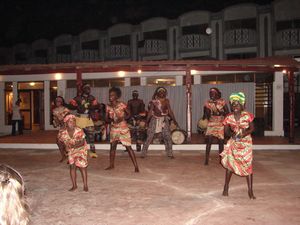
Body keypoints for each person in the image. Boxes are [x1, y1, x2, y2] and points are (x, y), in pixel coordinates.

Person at [220, 92, 256, 199]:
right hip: (234, 143)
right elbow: (226, 131)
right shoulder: (228, 117)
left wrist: (243, 134)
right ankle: (226, 187)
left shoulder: (247, 116)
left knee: (248, 166)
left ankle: (250, 191)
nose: (235, 106)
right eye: (233, 104)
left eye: (238, 104)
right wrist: (233, 135)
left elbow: (252, 128)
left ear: (243, 105)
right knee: (230, 165)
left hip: (246, 144)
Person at [105, 87, 139, 172]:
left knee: (128, 147)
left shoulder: (122, 104)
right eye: (110, 95)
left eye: (112, 95)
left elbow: (129, 114)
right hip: (114, 128)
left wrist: (122, 118)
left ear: (117, 96)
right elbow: (106, 119)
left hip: (123, 128)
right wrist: (112, 120)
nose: (110, 96)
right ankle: (111, 165)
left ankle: (136, 166)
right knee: (112, 147)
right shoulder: (108, 106)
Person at [141, 87, 178, 158]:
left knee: (168, 137)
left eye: (163, 92)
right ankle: (143, 153)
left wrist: (174, 120)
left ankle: (170, 153)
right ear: (157, 93)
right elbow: (150, 112)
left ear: (165, 93)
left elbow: (170, 111)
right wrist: (147, 121)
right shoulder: (153, 102)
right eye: (160, 92)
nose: (162, 93)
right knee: (149, 136)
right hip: (154, 119)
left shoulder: (167, 101)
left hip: (164, 120)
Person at [58, 114, 89, 192]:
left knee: (82, 167)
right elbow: (60, 141)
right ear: (66, 123)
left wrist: (71, 147)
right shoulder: (63, 132)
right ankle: (74, 185)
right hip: (71, 150)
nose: (72, 123)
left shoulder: (79, 130)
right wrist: (65, 148)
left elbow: (82, 143)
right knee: (72, 167)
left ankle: (85, 185)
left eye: (74, 121)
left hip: (81, 149)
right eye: (70, 122)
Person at [69, 83, 99, 158]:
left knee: (91, 137)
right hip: (79, 120)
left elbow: (96, 106)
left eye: (89, 87)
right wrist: (79, 105)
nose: (89, 89)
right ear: (83, 89)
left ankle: (93, 153)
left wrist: (92, 106)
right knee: (77, 138)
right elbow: (71, 106)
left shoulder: (92, 98)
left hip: (88, 119)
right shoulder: (77, 98)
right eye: (86, 87)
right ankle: (75, 153)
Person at [203, 88, 229, 165]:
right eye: (210, 94)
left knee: (221, 142)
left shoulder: (222, 101)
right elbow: (205, 115)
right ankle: (206, 159)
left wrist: (221, 113)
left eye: (212, 93)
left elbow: (227, 112)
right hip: (211, 123)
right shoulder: (208, 102)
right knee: (209, 142)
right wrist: (206, 112)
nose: (211, 95)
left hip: (220, 124)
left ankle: (221, 159)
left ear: (217, 94)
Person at [52, 96, 70, 162]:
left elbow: (68, 119)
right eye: (56, 100)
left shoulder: (66, 109)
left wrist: (60, 119)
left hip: (68, 127)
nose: (58, 101)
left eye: (59, 100)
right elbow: (56, 123)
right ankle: (63, 156)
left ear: (62, 101)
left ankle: (70, 157)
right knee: (58, 142)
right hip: (62, 128)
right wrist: (55, 122)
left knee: (67, 143)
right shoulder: (54, 110)